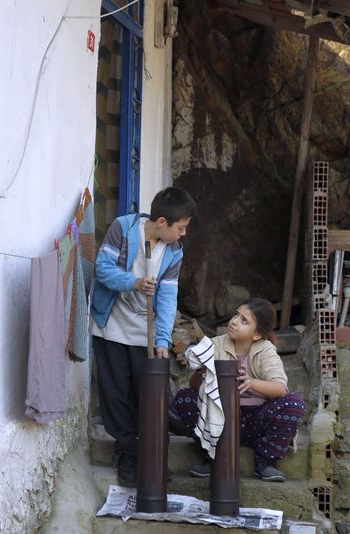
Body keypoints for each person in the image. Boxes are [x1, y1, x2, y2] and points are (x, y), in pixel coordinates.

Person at [90, 186, 197, 486]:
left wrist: (162, 339)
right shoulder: (123, 229)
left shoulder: (173, 252)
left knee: (149, 396)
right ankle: (126, 455)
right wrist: (134, 283)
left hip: (145, 333)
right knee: (116, 395)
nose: (183, 233)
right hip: (111, 325)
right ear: (162, 222)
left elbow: (168, 297)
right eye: (181, 227)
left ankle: (152, 458)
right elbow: (102, 269)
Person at [169, 298, 305, 482]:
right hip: (220, 418)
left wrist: (252, 383)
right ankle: (213, 457)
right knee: (184, 398)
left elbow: (280, 388)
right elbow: (195, 387)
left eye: (244, 321)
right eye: (236, 315)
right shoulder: (215, 344)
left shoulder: (265, 350)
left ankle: (265, 461)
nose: (234, 321)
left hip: (255, 420)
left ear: (257, 334)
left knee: (294, 403)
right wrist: (200, 372)